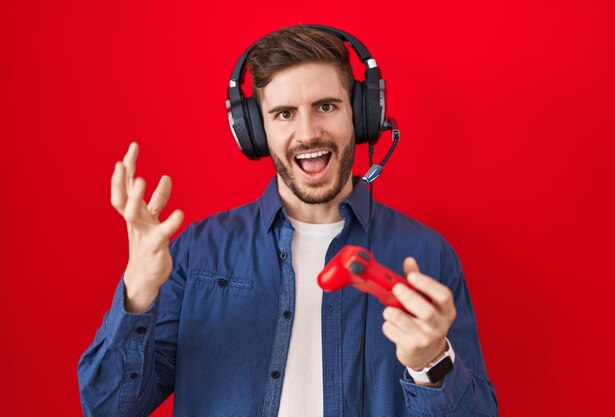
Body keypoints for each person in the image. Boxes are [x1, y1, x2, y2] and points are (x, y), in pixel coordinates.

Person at [78, 25, 498, 416]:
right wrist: (137, 291)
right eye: (284, 114)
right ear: (255, 132)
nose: (308, 132)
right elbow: (108, 406)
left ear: (361, 114)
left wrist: (430, 364)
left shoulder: (426, 255)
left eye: (326, 106)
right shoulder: (197, 251)